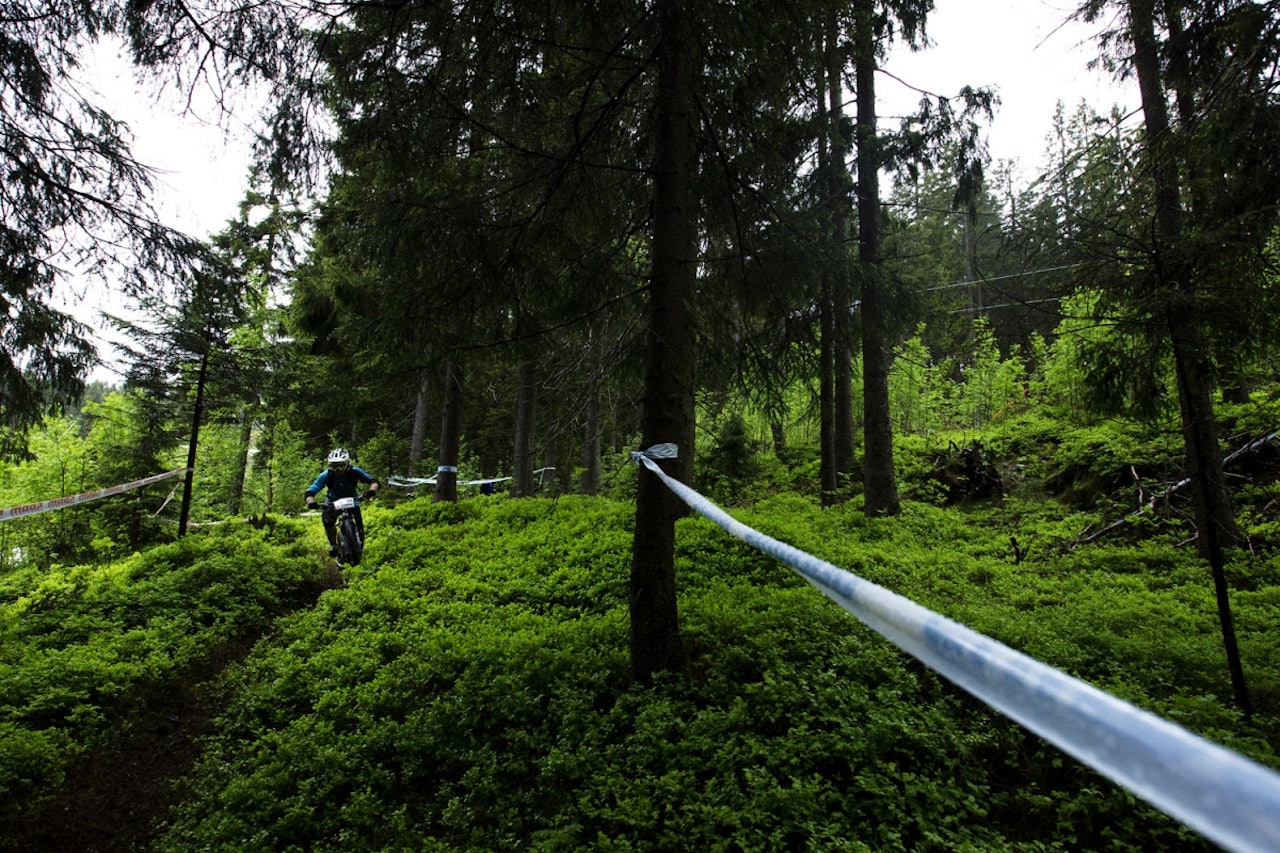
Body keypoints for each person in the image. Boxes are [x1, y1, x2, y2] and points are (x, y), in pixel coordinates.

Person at [304, 448, 380, 556]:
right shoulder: (327, 475)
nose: (338, 469)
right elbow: (313, 489)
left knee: (359, 524)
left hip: (352, 500)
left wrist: (372, 490)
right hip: (333, 501)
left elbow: (372, 481)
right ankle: (333, 544)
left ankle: (359, 543)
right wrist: (311, 501)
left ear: (347, 464)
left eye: (341, 465)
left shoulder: (354, 471)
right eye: (334, 466)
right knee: (327, 519)